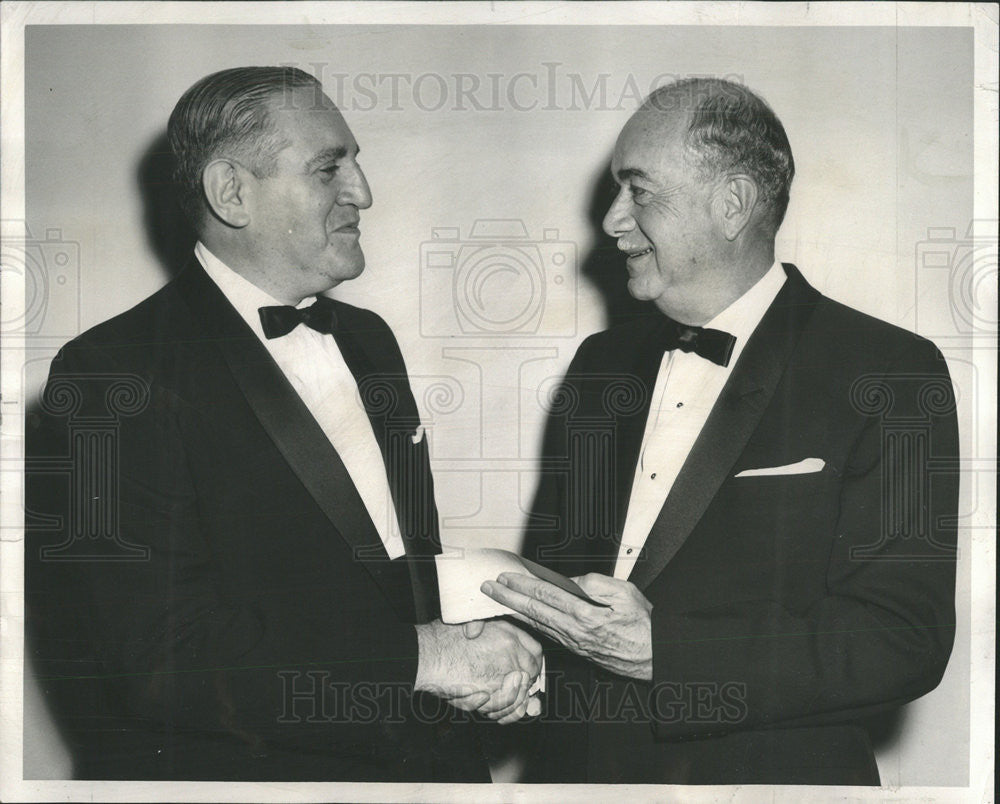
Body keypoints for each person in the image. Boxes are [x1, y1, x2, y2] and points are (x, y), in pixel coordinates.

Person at [25, 66, 541, 782]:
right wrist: (432, 659)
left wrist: (489, 644)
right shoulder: (113, 373)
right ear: (231, 192)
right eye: (331, 167)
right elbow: (162, 658)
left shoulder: (369, 340)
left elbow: (391, 570)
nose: (364, 192)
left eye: (355, 163)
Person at [483, 78, 959, 785]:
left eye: (638, 192)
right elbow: (556, 578)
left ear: (731, 203)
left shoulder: (889, 370)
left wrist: (669, 655)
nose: (612, 221)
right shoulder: (600, 366)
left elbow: (902, 639)